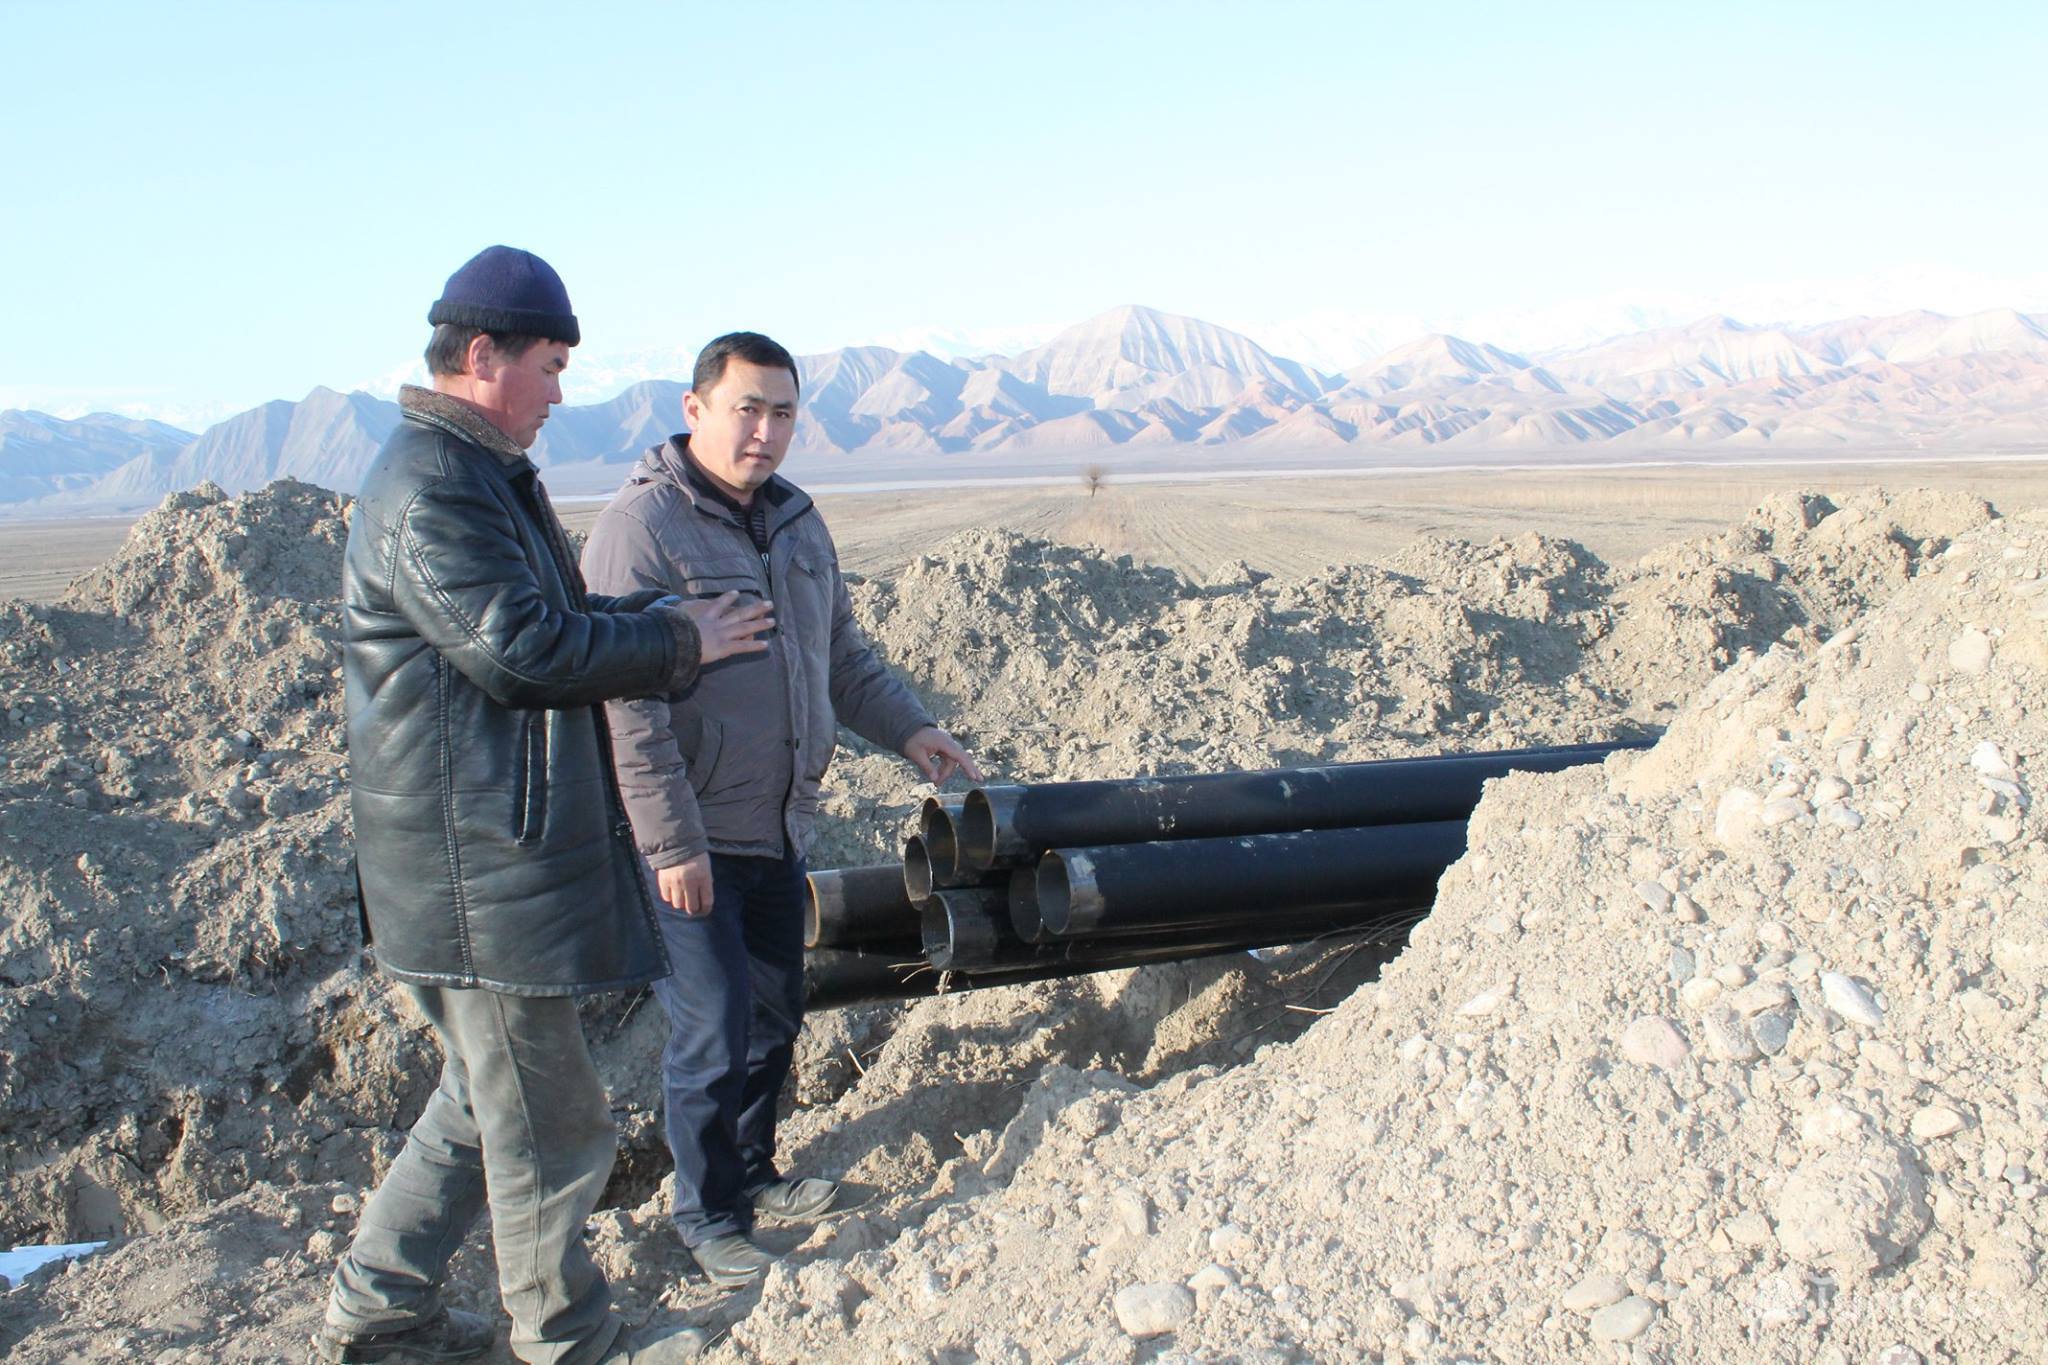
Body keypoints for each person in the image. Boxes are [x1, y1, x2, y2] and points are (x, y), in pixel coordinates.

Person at [316, 247, 771, 1365]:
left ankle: (378, 1312)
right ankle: (568, 1338)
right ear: (484, 355)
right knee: (553, 1122)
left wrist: (651, 617)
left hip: (476, 861)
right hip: (473, 871)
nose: (562, 394)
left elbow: (551, 617)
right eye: (552, 367)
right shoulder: (432, 486)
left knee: (484, 1103)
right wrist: (676, 639)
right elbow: (519, 652)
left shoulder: (472, 474)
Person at [581, 331, 981, 1288]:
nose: (764, 431)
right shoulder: (641, 529)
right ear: (695, 410)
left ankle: (754, 1173)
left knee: (772, 1010)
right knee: (713, 1023)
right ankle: (706, 1212)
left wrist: (914, 730)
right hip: (690, 837)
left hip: (776, 823)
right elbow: (626, 706)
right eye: (747, 409)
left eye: (784, 413)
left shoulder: (797, 522)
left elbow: (841, 659)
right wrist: (671, 844)